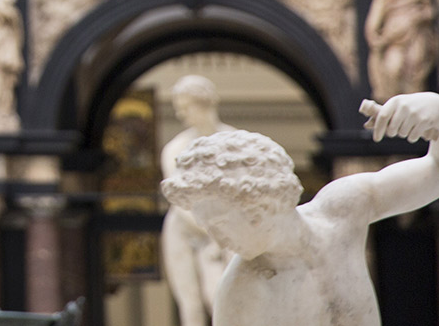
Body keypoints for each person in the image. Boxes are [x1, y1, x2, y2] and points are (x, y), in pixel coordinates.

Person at [161, 92, 439, 326]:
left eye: (219, 225)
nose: (218, 240)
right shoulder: (241, 295)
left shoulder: (342, 211)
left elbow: (433, 176)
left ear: (257, 207)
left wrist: (434, 110)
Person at [158, 76, 236, 326]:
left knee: (218, 296)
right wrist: (214, 231)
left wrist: (222, 235)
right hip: (184, 227)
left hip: (227, 230)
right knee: (190, 303)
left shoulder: (234, 142)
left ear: (204, 103)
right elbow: (181, 201)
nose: (181, 115)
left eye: (185, 107)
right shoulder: (176, 148)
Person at [365, 0, 436, 102]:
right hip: (394, 37)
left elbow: (429, 11)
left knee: (414, 70)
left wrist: (420, 16)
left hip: (415, 37)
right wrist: (373, 35)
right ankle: (394, 107)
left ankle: (412, 110)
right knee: (393, 68)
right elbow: (376, 15)